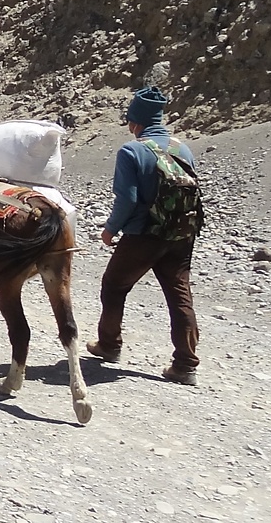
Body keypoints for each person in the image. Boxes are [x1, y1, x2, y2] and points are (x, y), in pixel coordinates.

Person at [86, 86, 200, 385]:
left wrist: (110, 229)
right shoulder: (182, 148)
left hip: (143, 235)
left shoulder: (131, 150)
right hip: (180, 234)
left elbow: (128, 198)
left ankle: (109, 346)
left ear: (135, 122)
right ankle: (186, 364)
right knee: (179, 294)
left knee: (114, 286)